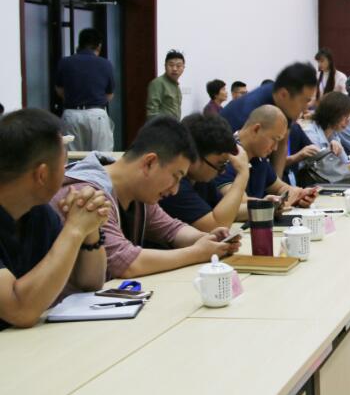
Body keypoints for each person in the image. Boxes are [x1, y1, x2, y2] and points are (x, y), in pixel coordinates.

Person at [52, 117, 240, 279]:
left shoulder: (138, 193)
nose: (175, 190)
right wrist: (197, 253)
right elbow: (125, 264)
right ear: (149, 163)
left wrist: (207, 239)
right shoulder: (87, 193)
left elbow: (171, 229)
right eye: (175, 177)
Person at [0, 109, 109, 329]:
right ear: (42, 175)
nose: (67, 171)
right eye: (64, 164)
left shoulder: (40, 213)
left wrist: (89, 229)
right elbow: (19, 311)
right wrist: (74, 229)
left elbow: (90, 282)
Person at [220, 62, 318, 177]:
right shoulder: (249, 114)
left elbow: (282, 145)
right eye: (305, 101)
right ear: (284, 94)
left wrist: (279, 184)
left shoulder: (285, 102)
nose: (306, 108)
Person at [159, 114, 250, 232]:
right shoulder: (174, 185)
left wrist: (265, 206)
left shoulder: (201, 178)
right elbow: (216, 225)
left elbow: (230, 212)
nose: (222, 172)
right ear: (194, 155)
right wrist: (243, 174)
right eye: (219, 165)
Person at [216, 105, 316, 206]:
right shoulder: (225, 156)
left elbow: (280, 188)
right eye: (274, 139)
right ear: (256, 129)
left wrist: (299, 195)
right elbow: (236, 204)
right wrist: (268, 205)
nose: (275, 148)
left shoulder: (258, 156)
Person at [290, 93, 350, 185]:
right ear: (332, 113)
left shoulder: (334, 134)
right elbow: (325, 174)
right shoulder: (310, 132)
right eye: (345, 117)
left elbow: (344, 163)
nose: (347, 122)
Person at [54, 28, 115, 151]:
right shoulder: (105, 64)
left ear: (79, 44)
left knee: (72, 158)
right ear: (99, 46)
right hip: (97, 115)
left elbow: (59, 90)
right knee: (101, 157)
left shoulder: (65, 62)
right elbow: (109, 95)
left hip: (71, 115)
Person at [146, 49, 185, 120]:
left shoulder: (176, 86)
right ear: (165, 66)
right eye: (171, 65)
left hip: (174, 125)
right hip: (162, 126)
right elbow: (152, 112)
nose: (174, 69)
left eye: (178, 66)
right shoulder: (158, 83)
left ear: (183, 68)